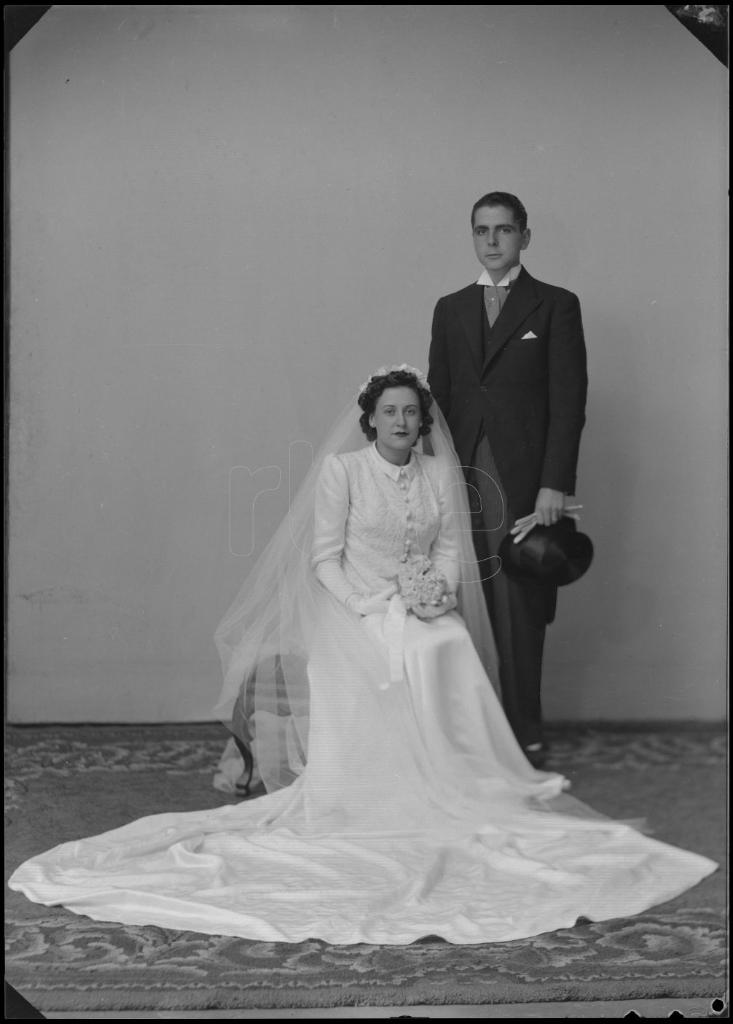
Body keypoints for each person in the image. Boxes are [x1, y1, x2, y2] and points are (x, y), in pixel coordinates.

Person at [7, 367, 715, 945]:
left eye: (412, 412)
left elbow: (443, 547)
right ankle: (368, 792)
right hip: (349, 606)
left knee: (446, 645)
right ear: (370, 419)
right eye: (391, 412)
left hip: (419, 604)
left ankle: (460, 779)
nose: (403, 422)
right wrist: (369, 606)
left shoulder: (440, 472)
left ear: (422, 420)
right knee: (379, 655)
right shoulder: (342, 472)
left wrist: (433, 592)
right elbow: (322, 561)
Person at [428, 191, 588, 767]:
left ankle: (523, 737)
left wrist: (555, 484)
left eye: (503, 230)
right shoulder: (450, 308)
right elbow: (439, 397)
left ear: (525, 236)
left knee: (519, 603)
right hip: (460, 472)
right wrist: (429, 475)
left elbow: (569, 403)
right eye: (481, 231)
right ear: (472, 237)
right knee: (455, 599)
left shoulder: (554, 306)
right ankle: (468, 735)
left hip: (522, 481)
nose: (492, 241)